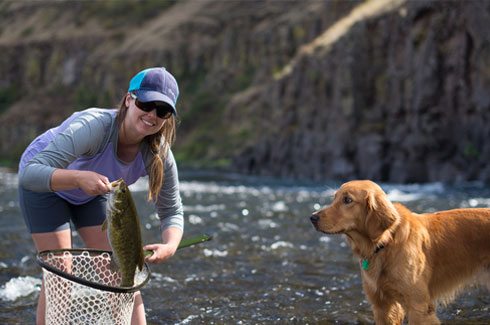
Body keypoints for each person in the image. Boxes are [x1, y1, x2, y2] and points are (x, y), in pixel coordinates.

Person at [18, 67, 184, 324]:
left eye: (162, 111)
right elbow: (30, 174)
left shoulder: (158, 154)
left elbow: (172, 210)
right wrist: (77, 178)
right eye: (145, 103)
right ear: (129, 99)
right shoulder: (93, 127)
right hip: (46, 184)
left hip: (94, 192)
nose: (152, 115)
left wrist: (170, 245)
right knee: (61, 271)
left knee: (123, 270)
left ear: (168, 118)